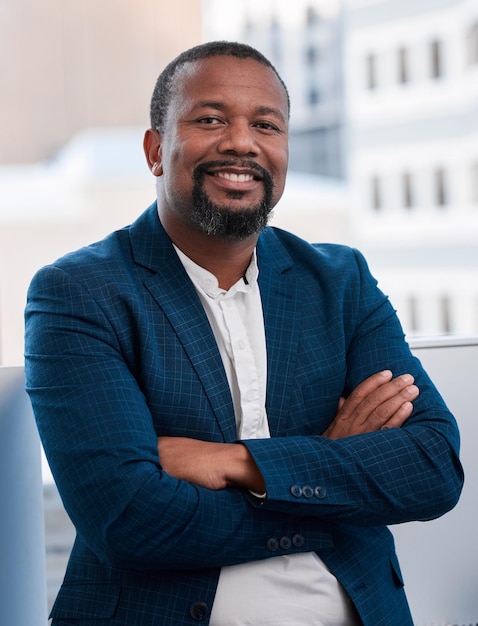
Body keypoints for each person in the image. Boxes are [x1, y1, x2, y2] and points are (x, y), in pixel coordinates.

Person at [25, 41, 463, 626]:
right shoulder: (80, 292)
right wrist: (329, 468)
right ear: (156, 150)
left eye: (266, 125)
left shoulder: (340, 281)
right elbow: (129, 519)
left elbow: (432, 468)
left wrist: (239, 464)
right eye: (209, 119)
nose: (241, 142)